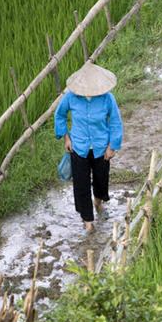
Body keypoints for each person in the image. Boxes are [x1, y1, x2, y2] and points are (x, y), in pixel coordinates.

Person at [54, 62, 123, 234]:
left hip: (101, 148)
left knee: (101, 179)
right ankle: (88, 222)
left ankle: (97, 204)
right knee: (81, 185)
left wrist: (112, 146)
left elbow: (115, 122)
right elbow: (60, 115)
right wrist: (66, 138)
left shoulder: (107, 98)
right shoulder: (71, 97)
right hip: (78, 147)